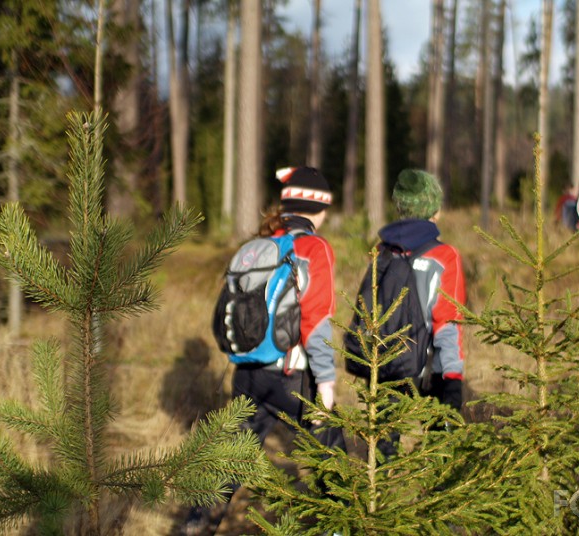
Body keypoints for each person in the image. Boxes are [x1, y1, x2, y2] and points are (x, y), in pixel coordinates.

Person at [183, 166, 344, 535]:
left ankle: (195, 526)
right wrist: (326, 383)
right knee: (332, 460)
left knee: (229, 462)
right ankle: (341, 526)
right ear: (317, 208)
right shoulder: (314, 248)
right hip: (292, 377)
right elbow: (316, 321)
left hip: (248, 374)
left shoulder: (258, 246)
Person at [377, 168, 467, 411]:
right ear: (435, 211)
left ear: (400, 207)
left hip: (384, 363)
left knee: (384, 444)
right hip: (430, 367)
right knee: (439, 445)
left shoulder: (382, 251)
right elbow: (449, 321)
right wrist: (452, 378)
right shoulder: (445, 256)